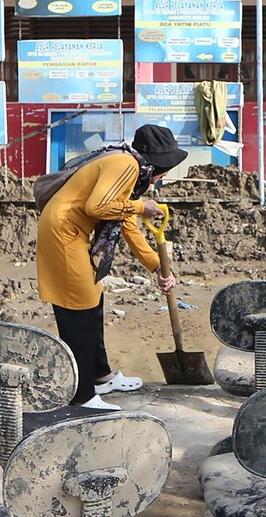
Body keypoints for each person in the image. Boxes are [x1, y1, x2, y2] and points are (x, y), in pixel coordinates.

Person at [36, 124, 188, 409]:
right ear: (157, 162)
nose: (165, 174)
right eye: (166, 167)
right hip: (63, 233)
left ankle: (100, 376)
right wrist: (142, 207)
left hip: (71, 233)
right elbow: (97, 207)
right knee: (78, 312)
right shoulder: (125, 165)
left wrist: (157, 266)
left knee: (94, 299)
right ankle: (81, 396)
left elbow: (127, 223)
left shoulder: (129, 166)